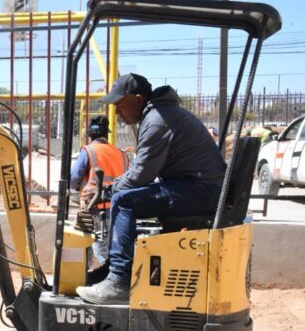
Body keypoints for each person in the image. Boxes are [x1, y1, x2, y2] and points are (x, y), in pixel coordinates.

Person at [76, 74, 226, 304]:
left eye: (119, 105)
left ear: (137, 100)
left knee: (124, 200)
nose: (116, 113)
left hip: (200, 190)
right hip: (197, 187)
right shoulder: (160, 115)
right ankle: (113, 270)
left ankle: (119, 281)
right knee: (125, 196)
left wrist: (105, 192)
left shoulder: (157, 119)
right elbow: (143, 172)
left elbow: (141, 175)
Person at [70, 115, 129, 266]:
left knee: (99, 248)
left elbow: (73, 178)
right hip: (120, 208)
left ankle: (108, 280)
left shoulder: (89, 151)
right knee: (114, 249)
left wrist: (80, 188)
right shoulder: (121, 154)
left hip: (97, 208)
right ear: (106, 133)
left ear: (90, 134)